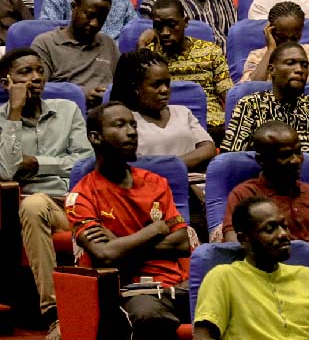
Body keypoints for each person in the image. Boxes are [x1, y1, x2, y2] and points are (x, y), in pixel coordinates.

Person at [66, 102, 192, 339]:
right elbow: (104, 255)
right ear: (95, 137)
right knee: (150, 317)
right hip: (131, 292)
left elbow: (182, 243)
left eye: (133, 124)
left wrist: (121, 243)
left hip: (177, 288)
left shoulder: (156, 183)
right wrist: (154, 230)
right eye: (120, 125)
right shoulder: (82, 196)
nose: (132, 131)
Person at [0, 48, 91, 340]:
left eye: (39, 71)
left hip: (71, 206)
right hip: (23, 211)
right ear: (6, 83)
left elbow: (84, 162)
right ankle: (54, 314)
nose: (35, 78)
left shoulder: (67, 110)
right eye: (25, 73)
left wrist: (38, 163)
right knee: (34, 204)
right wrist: (14, 114)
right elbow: (5, 171)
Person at [195, 195, 309, 340]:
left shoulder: (307, 276)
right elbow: (204, 336)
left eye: (284, 226)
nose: (283, 234)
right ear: (244, 239)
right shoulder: (223, 277)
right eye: (270, 229)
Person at [222, 122, 309, 280]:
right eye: (285, 155)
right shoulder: (245, 195)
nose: (296, 160)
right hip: (275, 279)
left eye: (298, 152)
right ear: (261, 160)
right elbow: (235, 246)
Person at [221, 42, 309, 192]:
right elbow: (231, 162)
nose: (299, 70)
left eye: (305, 65)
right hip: (268, 194)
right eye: (290, 63)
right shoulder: (250, 105)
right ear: (271, 70)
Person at [138, 0, 232, 143]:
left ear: (185, 22)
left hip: (210, 124)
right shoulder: (150, 56)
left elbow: (228, 95)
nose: (164, 32)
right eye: (158, 26)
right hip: (166, 124)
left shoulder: (211, 51)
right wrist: (142, 48)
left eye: (171, 24)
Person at [110, 49, 215, 172]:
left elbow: (208, 148)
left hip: (193, 182)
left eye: (167, 83)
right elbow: (128, 165)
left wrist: (171, 166)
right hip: (147, 186)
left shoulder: (183, 112)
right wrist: (172, 169)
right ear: (136, 87)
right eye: (156, 85)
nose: (165, 90)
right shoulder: (125, 122)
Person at [32, 0, 119, 107]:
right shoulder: (45, 43)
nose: (95, 23)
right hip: (65, 115)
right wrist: (80, 96)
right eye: (89, 15)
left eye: (101, 17)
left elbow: (124, 86)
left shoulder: (108, 43)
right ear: (74, 7)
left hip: (107, 116)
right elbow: (36, 90)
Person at [240, 1, 309, 103]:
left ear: (301, 32)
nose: (288, 43)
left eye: (294, 38)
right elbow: (249, 91)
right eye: (281, 38)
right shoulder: (258, 56)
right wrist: (270, 51)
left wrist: (307, 92)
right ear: (271, 31)